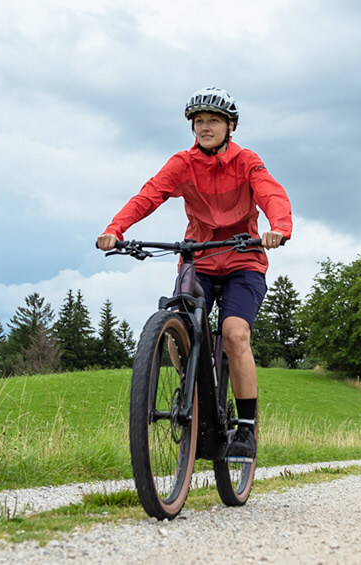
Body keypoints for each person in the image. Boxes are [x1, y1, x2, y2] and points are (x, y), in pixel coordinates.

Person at [96, 87, 292, 461]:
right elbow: (149, 195)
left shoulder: (246, 161)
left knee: (235, 333)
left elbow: (271, 194)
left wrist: (278, 227)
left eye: (213, 121)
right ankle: (195, 391)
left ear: (230, 126)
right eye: (198, 121)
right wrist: (115, 229)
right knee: (177, 324)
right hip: (198, 258)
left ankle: (246, 430)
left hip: (242, 260)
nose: (205, 127)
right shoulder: (182, 164)